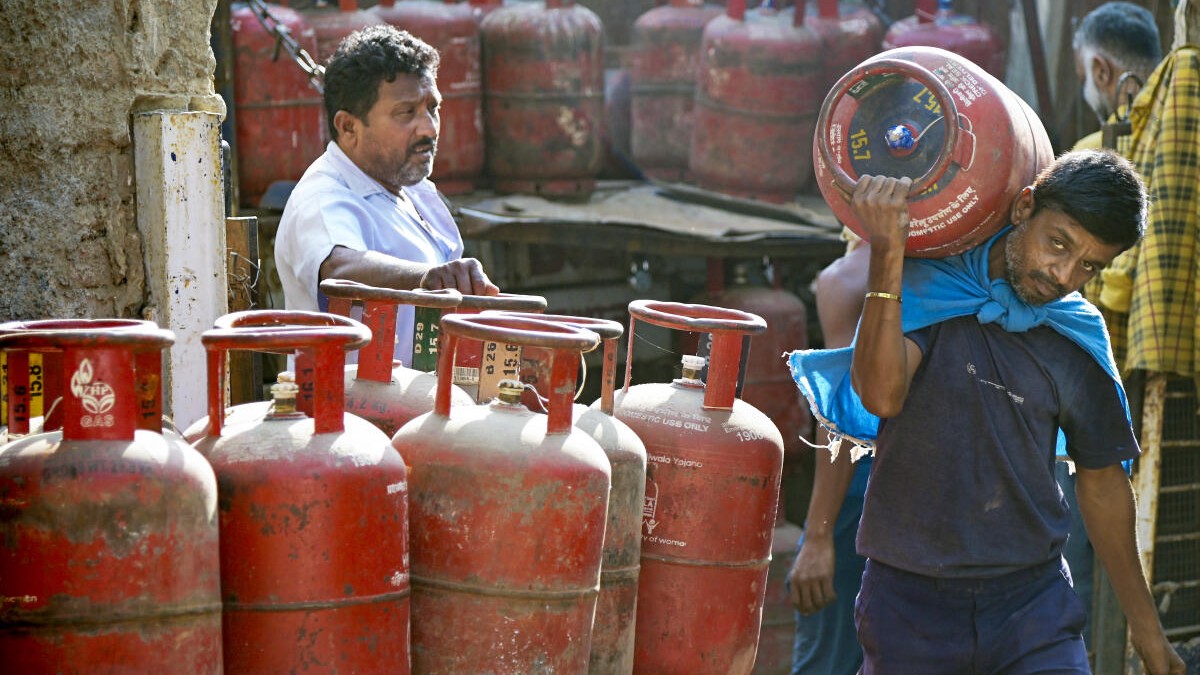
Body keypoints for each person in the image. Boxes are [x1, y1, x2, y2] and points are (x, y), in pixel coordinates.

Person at [788, 149, 1185, 674]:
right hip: (908, 601)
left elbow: (1104, 481)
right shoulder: (930, 290)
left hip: (1032, 603)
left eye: (1090, 265)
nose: (1064, 274)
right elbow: (881, 397)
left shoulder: (1075, 334)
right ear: (1024, 208)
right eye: (1058, 244)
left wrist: (1148, 634)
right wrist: (888, 251)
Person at [274, 25, 498, 362]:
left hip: (422, 401)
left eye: (432, 108)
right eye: (406, 113)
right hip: (351, 411)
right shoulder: (322, 197)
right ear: (349, 127)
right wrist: (426, 278)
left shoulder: (414, 191)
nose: (429, 128)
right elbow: (338, 269)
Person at [786, 236, 870, 675]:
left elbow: (841, 414)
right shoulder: (971, 269)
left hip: (859, 494)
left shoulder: (848, 277)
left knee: (829, 657)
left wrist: (818, 537)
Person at [1072, 1, 1162, 149]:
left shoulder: (1089, 151)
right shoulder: (1181, 127)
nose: (1084, 93)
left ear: (1101, 72)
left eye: (1083, 79)